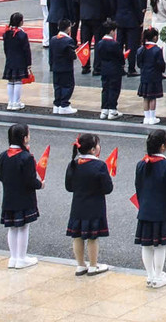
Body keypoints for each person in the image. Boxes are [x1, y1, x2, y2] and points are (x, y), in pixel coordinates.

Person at [131, 126, 166, 289]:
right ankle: (158, 275)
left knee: (146, 244)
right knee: (160, 245)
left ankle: (150, 275)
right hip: (162, 211)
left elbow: (138, 187)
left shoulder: (141, 164)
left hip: (145, 209)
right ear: (163, 146)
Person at [65, 131, 114, 275]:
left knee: (77, 236)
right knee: (93, 237)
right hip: (95, 206)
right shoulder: (99, 166)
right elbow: (108, 188)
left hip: (78, 205)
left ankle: (80, 265)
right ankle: (93, 265)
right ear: (93, 149)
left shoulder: (73, 164)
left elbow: (68, 187)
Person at [0, 121, 42, 269]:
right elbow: (30, 180)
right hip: (24, 197)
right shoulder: (26, 157)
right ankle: (21, 258)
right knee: (23, 227)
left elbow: (1, 176)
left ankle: (13, 257)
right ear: (24, 138)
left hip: (9, 196)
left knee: (12, 228)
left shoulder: (3, 156)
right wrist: (40, 184)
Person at [1, 13, 33, 112]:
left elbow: (5, 48)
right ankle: (16, 102)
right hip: (20, 60)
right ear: (20, 22)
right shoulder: (22, 34)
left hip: (10, 59)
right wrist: (28, 63)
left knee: (10, 81)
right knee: (18, 81)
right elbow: (26, 50)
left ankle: (10, 102)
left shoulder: (6, 33)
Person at [136, 26, 166, 125]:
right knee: (152, 97)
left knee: (146, 97)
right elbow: (161, 64)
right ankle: (152, 117)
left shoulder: (141, 49)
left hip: (144, 76)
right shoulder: (157, 50)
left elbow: (139, 64)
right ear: (154, 37)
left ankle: (147, 117)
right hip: (154, 76)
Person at [96, 30, 126, 120]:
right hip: (114, 69)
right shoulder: (114, 44)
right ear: (112, 31)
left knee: (105, 88)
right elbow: (120, 57)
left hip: (104, 68)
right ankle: (112, 110)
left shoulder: (100, 43)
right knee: (114, 89)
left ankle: (104, 110)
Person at [49, 25, 78, 114]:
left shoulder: (53, 39)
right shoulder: (68, 40)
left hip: (55, 67)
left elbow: (51, 54)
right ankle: (64, 105)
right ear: (68, 28)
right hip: (66, 68)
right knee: (67, 86)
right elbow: (72, 55)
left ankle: (57, 105)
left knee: (57, 86)